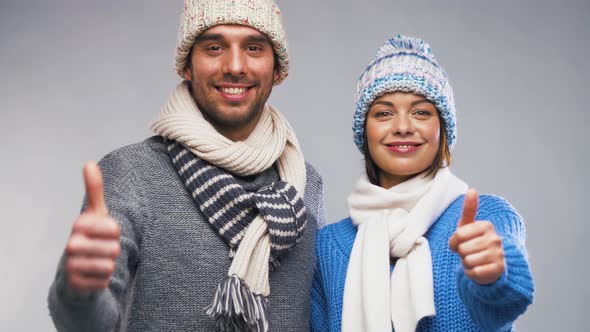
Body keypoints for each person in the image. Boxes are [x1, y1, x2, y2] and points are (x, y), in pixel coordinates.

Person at [47, 0, 325, 331]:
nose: (235, 65)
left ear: (277, 69)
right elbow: (93, 325)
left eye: (254, 47)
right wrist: (79, 291)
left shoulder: (306, 182)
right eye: (213, 47)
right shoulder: (131, 174)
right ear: (186, 67)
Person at [310, 35, 534, 331]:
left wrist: (494, 273)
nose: (403, 127)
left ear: (443, 129)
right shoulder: (329, 245)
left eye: (421, 112)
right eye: (384, 113)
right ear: (365, 132)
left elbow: (507, 301)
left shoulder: (486, 217)